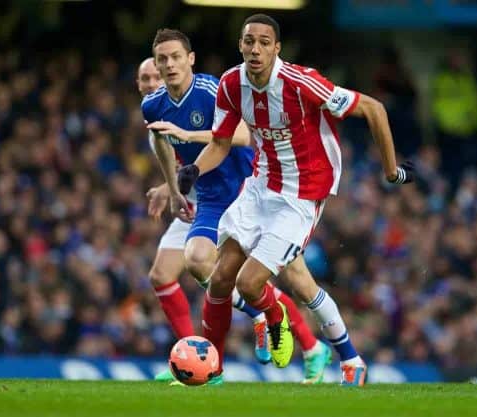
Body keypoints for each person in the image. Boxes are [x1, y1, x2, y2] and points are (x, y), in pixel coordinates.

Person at [176, 14, 416, 386]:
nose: (255, 49)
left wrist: (390, 171)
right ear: (240, 45)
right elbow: (222, 142)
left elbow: (374, 108)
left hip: (302, 196)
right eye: (249, 41)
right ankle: (214, 370)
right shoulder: (230, 84)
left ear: (277, 48)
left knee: (252, 284)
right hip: (260, 186)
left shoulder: (301, 82)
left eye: (264, 42)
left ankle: (283, 323)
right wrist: (193, 169)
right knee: (221, 277)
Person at [141, 31, 339, 385]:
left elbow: (244, 135)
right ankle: (236, 333)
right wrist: (171, 189)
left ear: (191, 59)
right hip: (211, 198)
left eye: (174, 57)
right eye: (161, 61)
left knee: (297, 279)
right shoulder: (153, 106)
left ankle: (313, 347)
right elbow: (161, 143)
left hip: (253, 189)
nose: (168, 66)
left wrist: (188, 137)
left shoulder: (212, 90)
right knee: (197, 259)